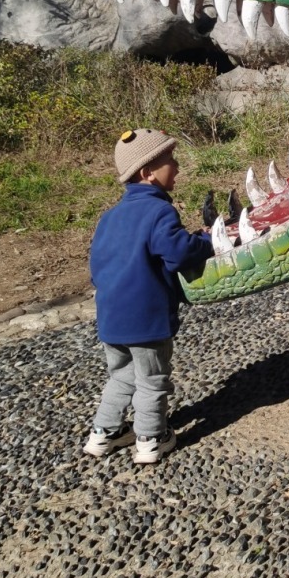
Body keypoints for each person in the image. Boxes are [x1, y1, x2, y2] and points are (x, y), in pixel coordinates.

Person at [85, 128, 214, 465]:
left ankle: (104, 432)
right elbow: (178, 254)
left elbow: (96, 267)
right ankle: (151, 437)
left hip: (111, 319)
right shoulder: (159, 213)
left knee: (122, 376)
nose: (177, 167)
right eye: (170, 161)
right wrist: (205, 241)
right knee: (153, 379)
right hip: (147, 319)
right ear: (147, 173)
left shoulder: (109, 218)